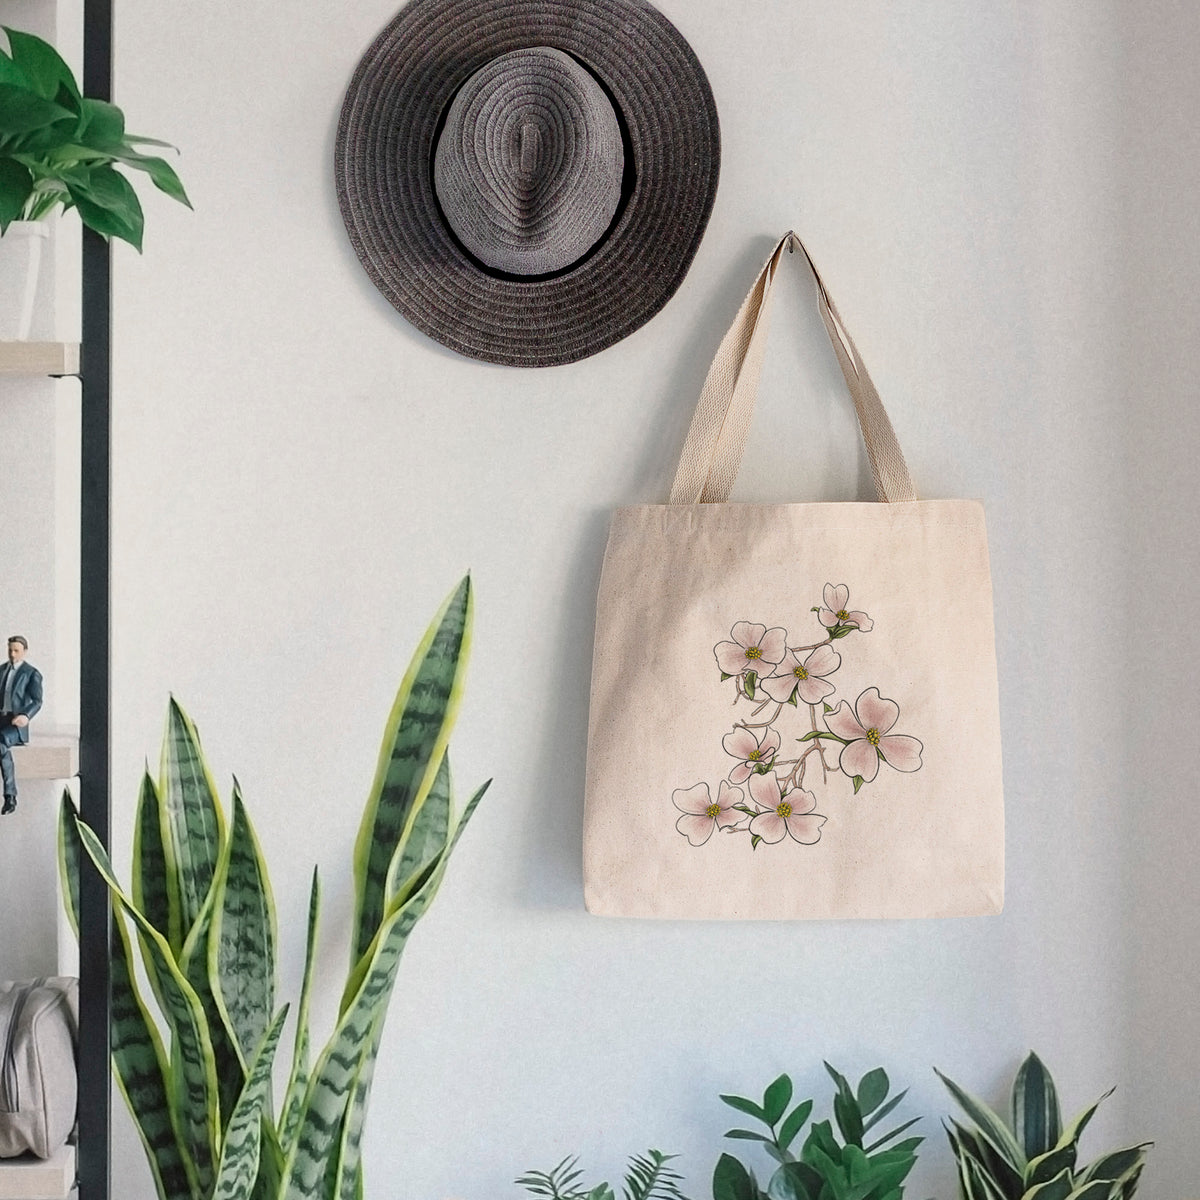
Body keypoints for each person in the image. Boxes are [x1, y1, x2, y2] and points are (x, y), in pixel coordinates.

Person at [0, 636, 43, 814]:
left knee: (1, 742)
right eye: (10, 650)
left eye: (16, 650)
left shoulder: (31, 673)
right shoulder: (1, 670)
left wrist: (26, 715)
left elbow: (37, 700)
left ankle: (10, 796)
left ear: (24, 651)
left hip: (15, 723)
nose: (12, 654)